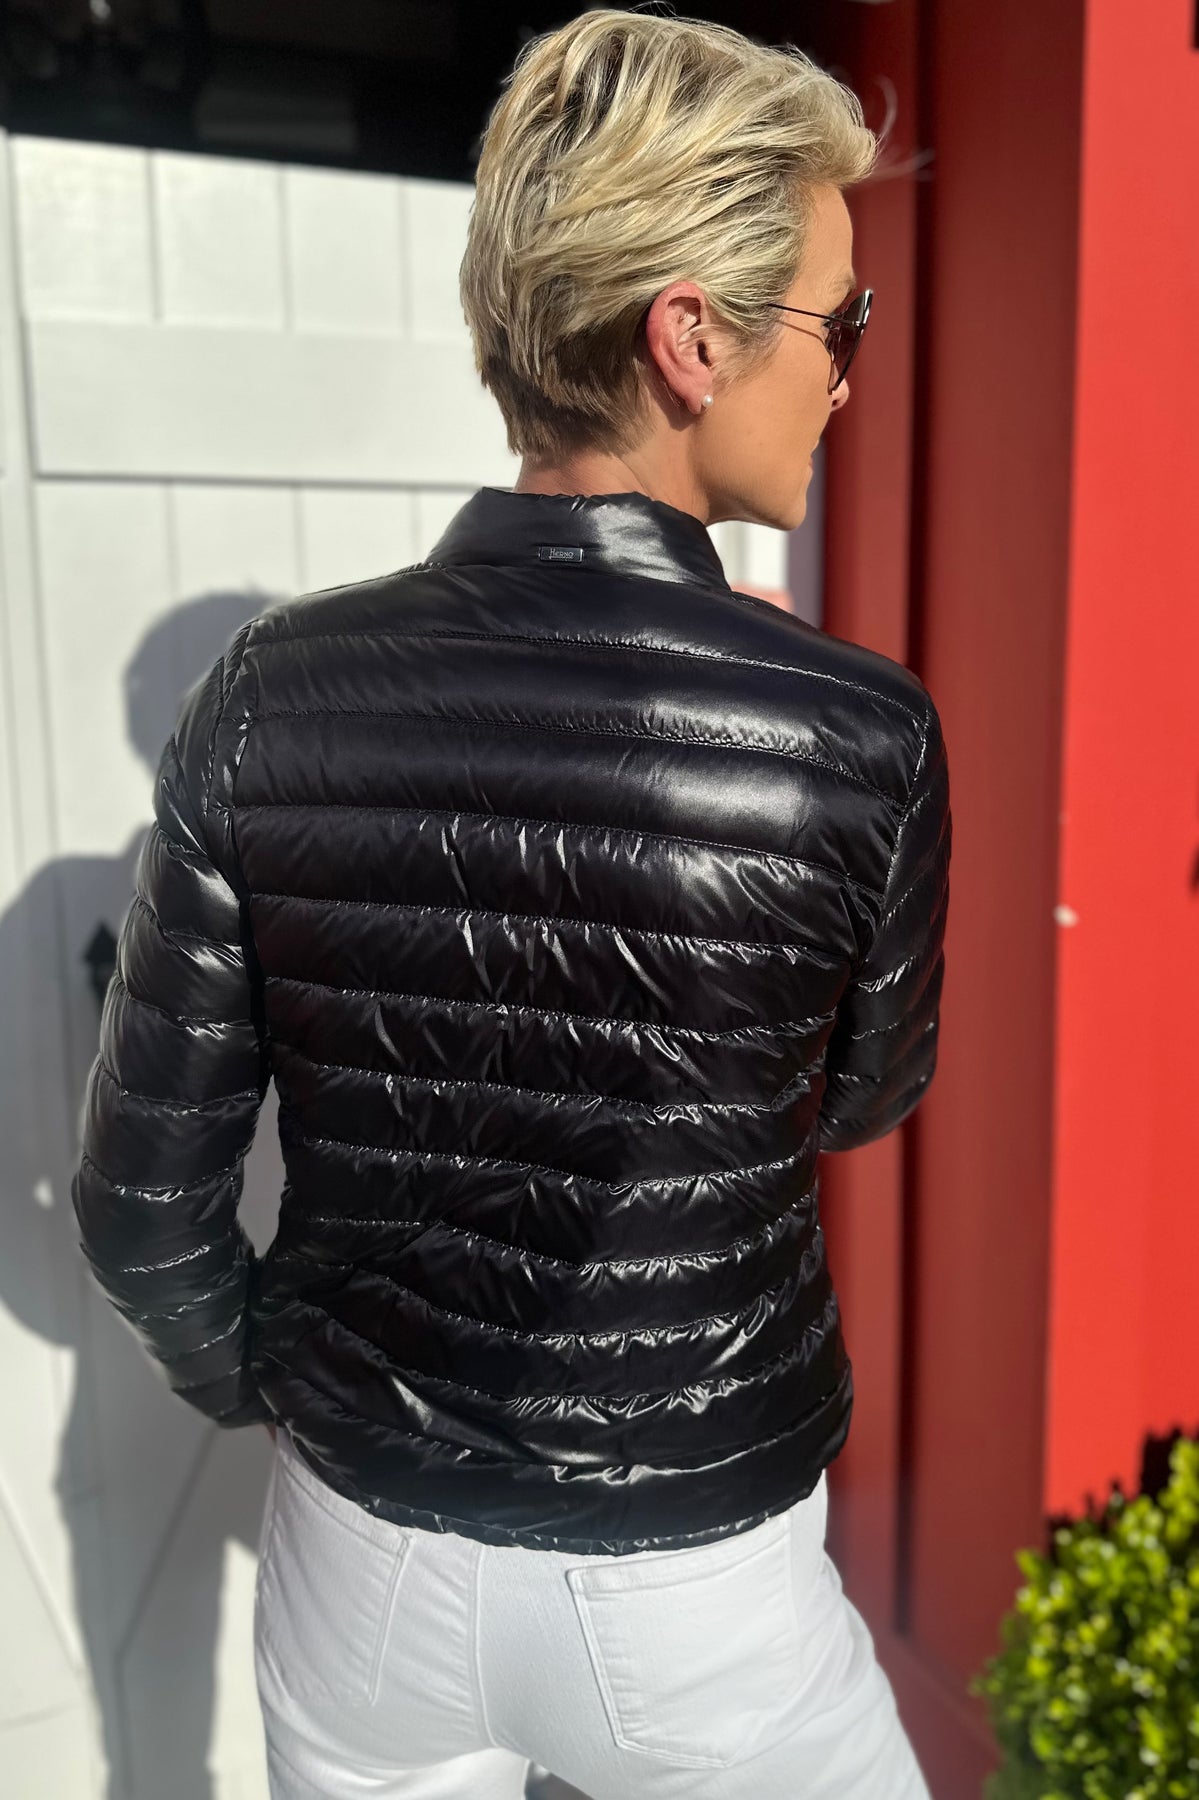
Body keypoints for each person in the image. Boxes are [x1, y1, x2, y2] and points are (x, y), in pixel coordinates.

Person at [70, 8, 950, 1798]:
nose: (851, 373)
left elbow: (141, 1209)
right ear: (691, 337)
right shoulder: (856, 736)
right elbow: (863, 1094)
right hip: (698, 1589)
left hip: (365, 1564)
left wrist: (271, 1382)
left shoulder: (267, 698)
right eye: (839, 321)